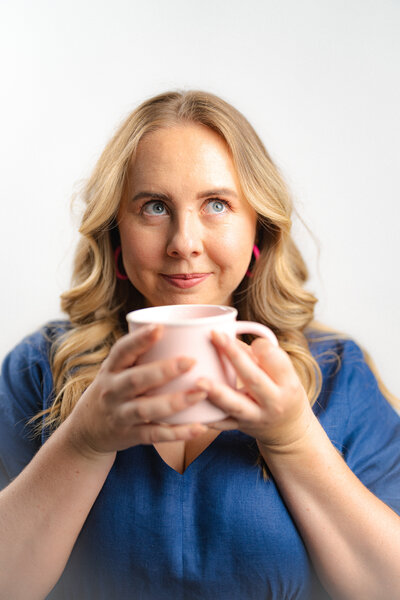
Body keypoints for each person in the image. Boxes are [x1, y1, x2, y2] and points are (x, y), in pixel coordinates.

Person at [1, 90, 400, 600]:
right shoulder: (40, 369)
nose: (183, 242)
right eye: (154, 206)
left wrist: (294, 439)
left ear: (258, 226)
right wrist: (84, 441)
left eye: (216, 204)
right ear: (115, 231)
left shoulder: (338, 375)